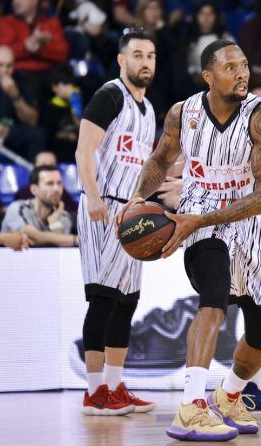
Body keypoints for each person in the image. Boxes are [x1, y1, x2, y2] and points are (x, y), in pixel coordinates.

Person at [117, 40, 261, 440]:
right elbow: (160, 159)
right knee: (213, 297)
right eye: (231, 68)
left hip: (251, 216)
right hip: (198, 211)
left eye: (245, 65)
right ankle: (192, 406)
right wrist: (139, 197)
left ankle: (228, 396)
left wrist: (199, 220)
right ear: (209, 76)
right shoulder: (183, 112)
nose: (243, 73)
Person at [74, 30, 158, 415]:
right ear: (121, 60)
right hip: (103, 206)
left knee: (127, 301)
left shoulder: (150, 109)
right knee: (104, 298)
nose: (145, 62)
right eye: (138, 54)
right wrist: (92, 196)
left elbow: (141, 167)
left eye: (151, 56)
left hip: (134, 212)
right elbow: (83, 149)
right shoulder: (109, 95)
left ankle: (115, 386)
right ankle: (94, 393)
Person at [0, 0, 68, 74]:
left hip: (50, 72)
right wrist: (25, 47)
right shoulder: (5, 22)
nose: (15, 1)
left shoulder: (52, 23)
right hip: (19, 73)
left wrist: (42, 48)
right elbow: (4, 53)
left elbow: (63, 54)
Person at [1, 166, 78, 247]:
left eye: (59, 183)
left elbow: (61, 249)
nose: (56, 189)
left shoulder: (63, 216)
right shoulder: (18, 208)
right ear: (34, 190)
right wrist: (75, 239)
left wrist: (55, 223)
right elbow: (31, 236)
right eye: (50, 183)